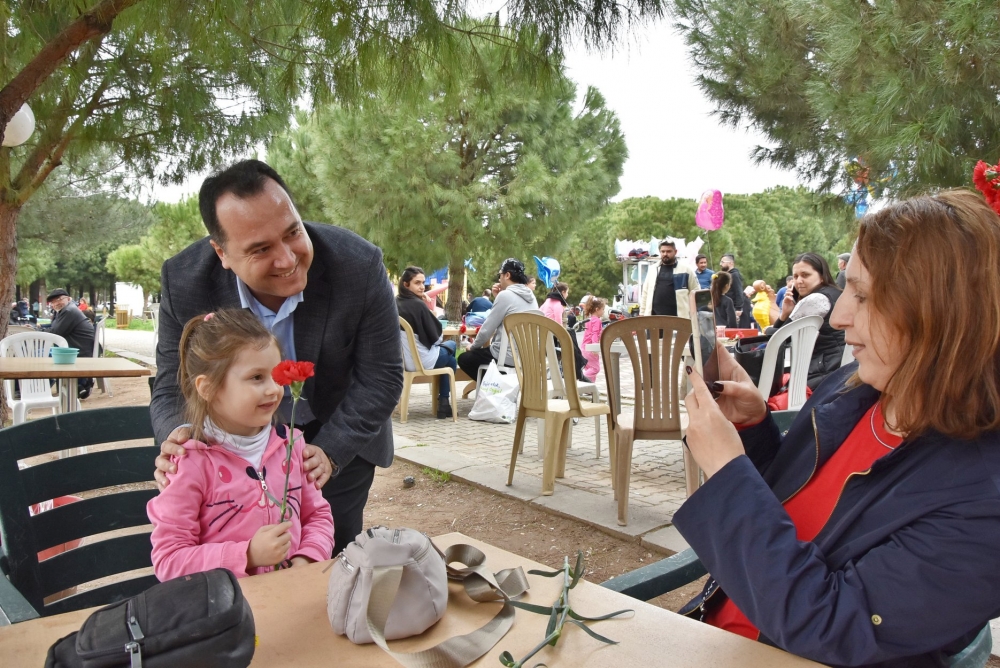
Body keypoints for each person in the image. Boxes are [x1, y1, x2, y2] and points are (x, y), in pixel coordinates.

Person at [677, 190, 1000, 667]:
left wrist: (726, 473)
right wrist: (754, 428)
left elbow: (834, 625)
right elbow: (797, 513)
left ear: (945, 317)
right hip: (718, 632)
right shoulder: (856, 392)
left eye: (865, 296)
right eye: (847, 288)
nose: (838, 314)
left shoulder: (982, 502)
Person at [151, 159, 403, 558]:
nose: (287, 259)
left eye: (293, 233)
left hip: (335, 433)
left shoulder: (357, 264)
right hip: (229, 447)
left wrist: (330, 452)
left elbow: (382, 377)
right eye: (261, 249)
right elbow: (170, 383)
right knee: (233, 563)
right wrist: (179, 436)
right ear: (222, 252)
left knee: (331, 556)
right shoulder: (184, 281)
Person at [147, 310, 333, 581]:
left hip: (289, 597)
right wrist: (247, 555)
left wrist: (307, 558)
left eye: (275, 374)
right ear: (207, 388)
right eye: (257, 377)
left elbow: (318, 516)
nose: (273, 389)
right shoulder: (191, 463)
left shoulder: (292, 445)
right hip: (227, 614)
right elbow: (169, 560)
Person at [768, 252, 845, 388]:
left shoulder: (815, 299)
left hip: (823, 373)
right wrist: (787, 312)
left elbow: (777, 339)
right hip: (838, 368)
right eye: (796, 276)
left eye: (805, 275)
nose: (798, 281)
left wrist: (782, 317)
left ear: (822, 276)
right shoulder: (836, 293)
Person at [457, 258, 538, 381]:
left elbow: (486, 330)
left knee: (464, 359)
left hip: (506, 357)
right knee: (485, 353)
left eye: (499, 275)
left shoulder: (505, 295)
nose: (499, 279)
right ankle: (508, 384)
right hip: (527, 356)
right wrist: (498, 297)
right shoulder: (531, 296)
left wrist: (472, 347)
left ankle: (496, 388)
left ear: (507, 275)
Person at [396, 266, 458, 419]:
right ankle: (443, 401)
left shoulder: (394, 303)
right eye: (417, 283)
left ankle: (444, 402)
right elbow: (437, 338)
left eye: (423, 283)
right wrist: (431, 310)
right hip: (423, 361)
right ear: (406, 284)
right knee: (452, 347)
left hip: (403, 362)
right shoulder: (417, 305)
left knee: (449, 360)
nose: (422, 287)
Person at [43, 288, 95, 399]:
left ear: (68, 298)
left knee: (40, 355)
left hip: (77, 351)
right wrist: (39, 328)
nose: (56, 303)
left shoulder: (69, 311)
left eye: (59, 299)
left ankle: (38, 388)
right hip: (75, 347)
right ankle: (46, 385)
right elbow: (54, 328)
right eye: (53, 302)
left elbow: (56, 333)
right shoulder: (66, 310)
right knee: (44, 353)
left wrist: (36, 332)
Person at [541, 282, 591, 382]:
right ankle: (577, 370)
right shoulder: (558, 304)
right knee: (571, 336)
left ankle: (577, 370)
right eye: (567, 292)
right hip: (553, 334)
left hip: (544, 333)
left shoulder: (547, 302)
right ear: (563, 292)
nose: (567, 295)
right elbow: (559, 325)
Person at [640, 240, 699, 318]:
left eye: (668, 251)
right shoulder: (652, 269)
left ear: (675, 252)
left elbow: (696, 293)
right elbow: (645, 293)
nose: (665, 254)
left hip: (679, 318)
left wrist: (694, 315)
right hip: (654, 318)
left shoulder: (686, 270)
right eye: (663, 251)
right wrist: (642, 313)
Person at [719, 254, 750, 327]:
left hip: (737, 307)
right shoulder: (729, 275)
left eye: (722, 262)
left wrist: (738, 308)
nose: (721, 264)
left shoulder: (734, 275)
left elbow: (738, 291)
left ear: (730, 263)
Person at [580, 297, 606, 380]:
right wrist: (595, 348)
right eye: (602, 309)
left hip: (584, 347)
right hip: (591, 348)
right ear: (597, 309)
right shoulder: (597, 321)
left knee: (589, 368)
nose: (603, 311)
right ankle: (582, 379)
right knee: (595, 368)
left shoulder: (589, 320)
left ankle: (589, 388)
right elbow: (594, 334)